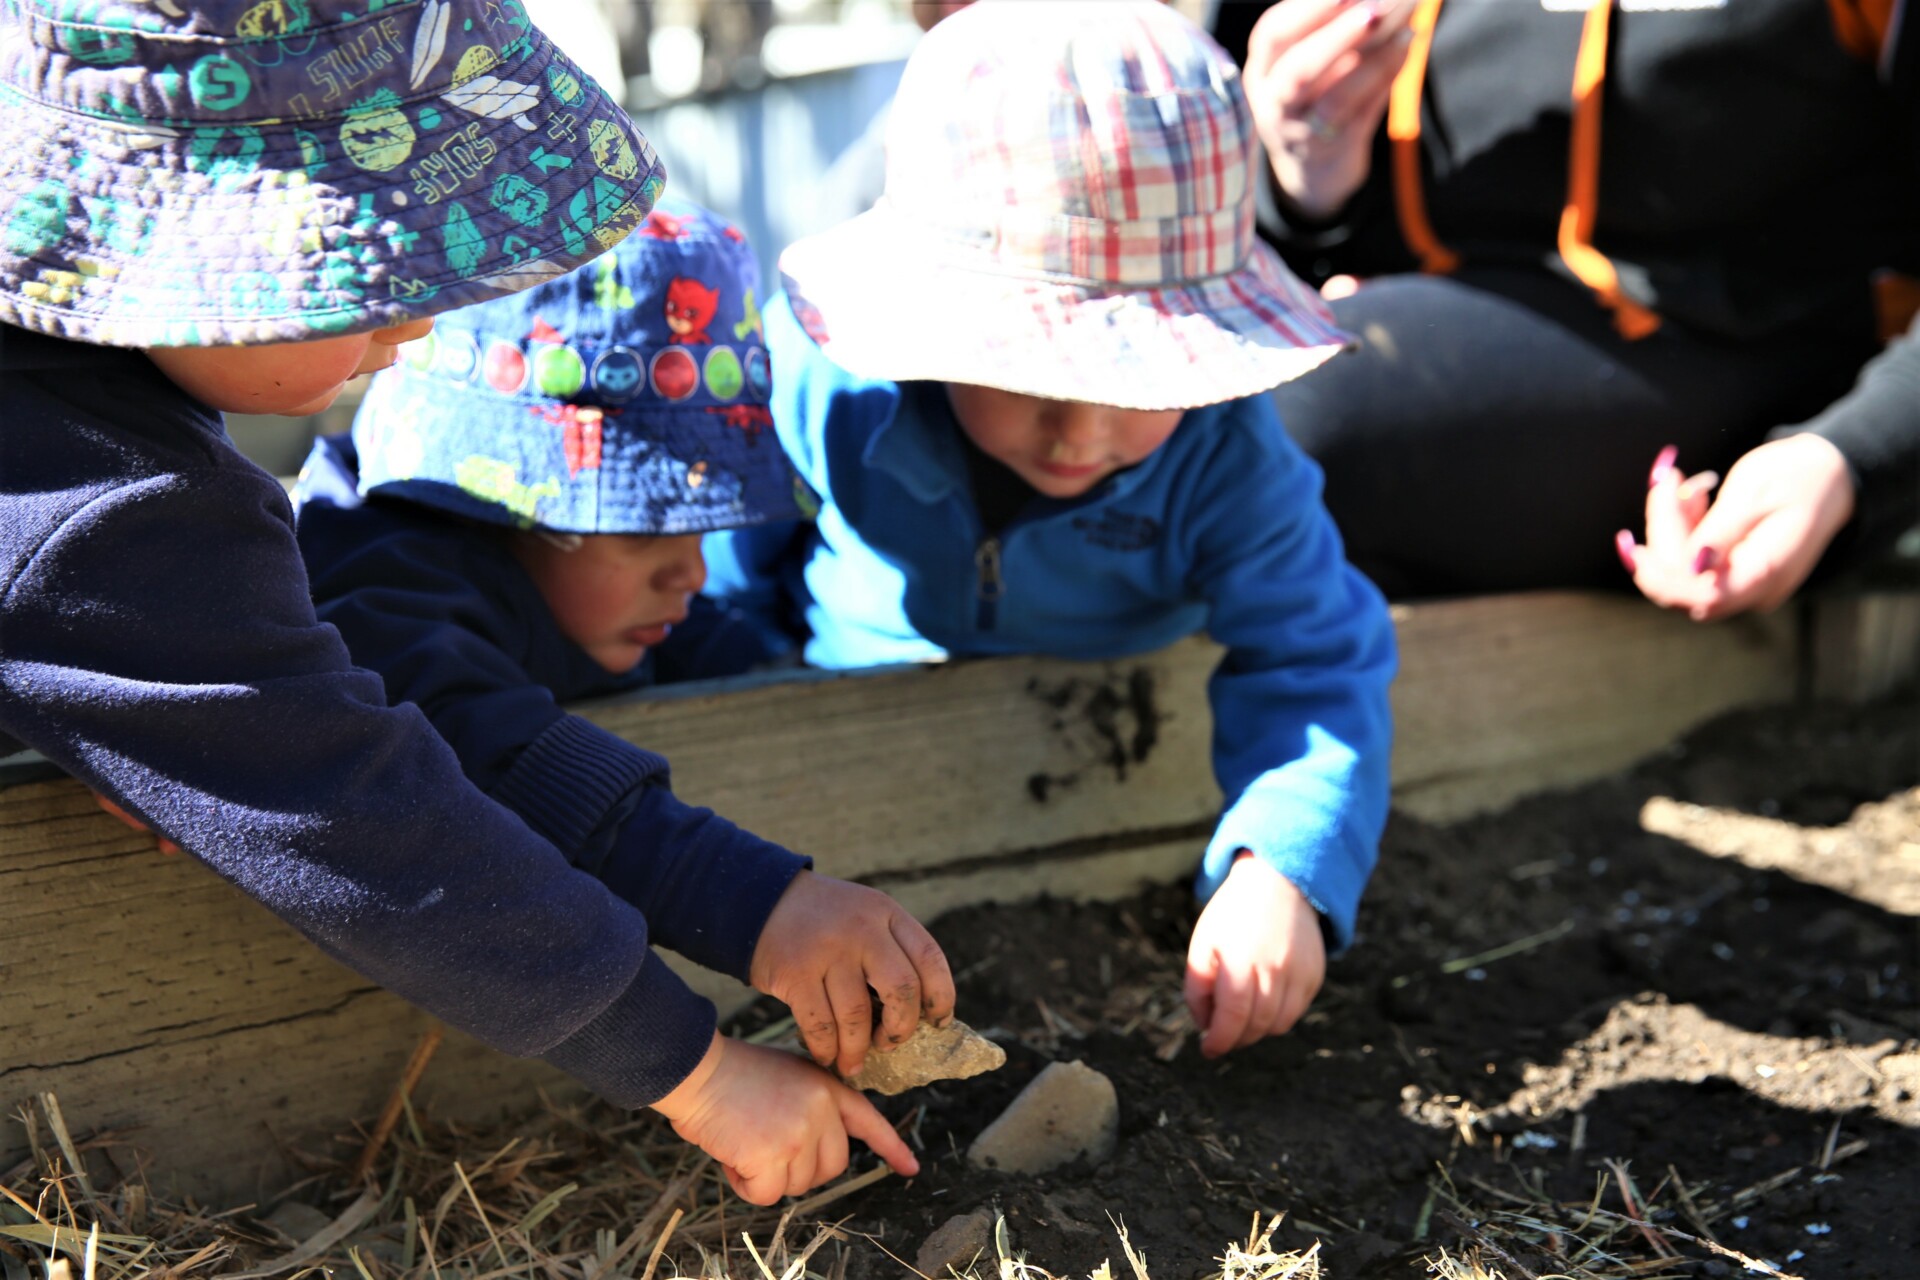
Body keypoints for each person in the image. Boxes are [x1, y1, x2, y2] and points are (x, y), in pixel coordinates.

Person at [0, 0, 924, 1206]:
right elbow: (371, 812)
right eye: (368, 270)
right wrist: (700, 1074)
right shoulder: (121, 508)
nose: (422, 317)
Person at [706, 0, 1398, 1059]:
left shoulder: (1227, 457)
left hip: (1098, 786)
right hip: (841, 765)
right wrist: (758, 745)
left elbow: (1318, 658)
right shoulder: (826, 394)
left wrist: (1280, 869)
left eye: (1141, 378)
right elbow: (730, 581)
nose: (1083, 428)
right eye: (1031, 373)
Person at [295, 199, 953, 1090]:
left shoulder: (595, 599)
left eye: (702, 530)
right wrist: (755, 904)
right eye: (644, 530)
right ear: (504, 506)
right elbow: (467, 747)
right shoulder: (376, 587)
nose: (689, 571)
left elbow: (729, 662)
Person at [1211, 0, 1920, 620]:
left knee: (1264, 436)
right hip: (1401, 335)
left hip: (1754, 375)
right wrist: (1303, 186)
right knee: (1179, 420)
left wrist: (1856, 453)